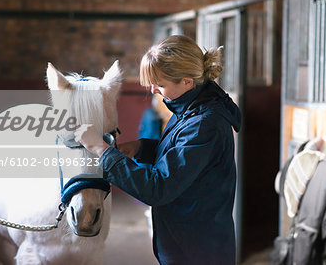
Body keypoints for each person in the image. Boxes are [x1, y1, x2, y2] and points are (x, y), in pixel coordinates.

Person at [75, 35, 241, 265]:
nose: (153, 89)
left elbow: (157, 188)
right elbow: (185, 159)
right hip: (190, 239)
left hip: (197, 250)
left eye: (160, 84)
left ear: (186, 82)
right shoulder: (192, 108)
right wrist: (143, 148)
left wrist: (101, 149)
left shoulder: (204, 123)